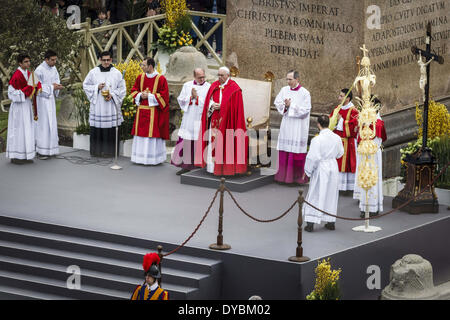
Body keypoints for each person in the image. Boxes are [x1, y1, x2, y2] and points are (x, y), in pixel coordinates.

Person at [194, 66, 248, 176]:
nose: (219, 77)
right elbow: (207, 101)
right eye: (218, 75)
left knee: (225, 143)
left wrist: (222, 106)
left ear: (228, 76)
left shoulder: (235, 89)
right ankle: (212, 167)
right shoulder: (214, 86)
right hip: (214, 118)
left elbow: (236, 108)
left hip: (228, 121)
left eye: (222, 75)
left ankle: (224, 169)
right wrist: (212, 105)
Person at [303, 115, 344, 232]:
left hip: (322, 167)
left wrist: (308, 171)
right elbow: (341, 153)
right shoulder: (336, 137)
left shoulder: (317, 140)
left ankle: (310, 223)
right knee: (331, 194)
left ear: (318, 124)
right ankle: (330, 222)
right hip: (333, 166)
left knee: (316, 193)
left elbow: (312, 157)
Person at [82, 51, 126, 157]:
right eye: (104, 60)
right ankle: (96, 151)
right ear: (100, 60)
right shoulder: (93, 72)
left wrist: (113, 95)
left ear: (111, 60)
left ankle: (110, 152)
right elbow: (85, 85)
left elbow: (122, 89)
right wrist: (96, 87)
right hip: (98, 106)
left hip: (111, 106)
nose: (106, 62)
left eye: (108, 60)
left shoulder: (117, 73)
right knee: (97, 127)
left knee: (110, 128)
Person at [129, 57, 169, 165]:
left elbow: (164, 97)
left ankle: (153, 159)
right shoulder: (140, 77)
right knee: (141, 135)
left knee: (151, 136)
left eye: (143, 65)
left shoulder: (161, 79)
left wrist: (150, 96)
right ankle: (139, 158)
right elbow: (133, 91)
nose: (142, 67)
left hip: (154, 113)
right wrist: (140, 95)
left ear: (150, 66)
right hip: (141, 111)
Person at [274, 70, 311, 185]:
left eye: (290, 79)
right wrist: (285, 106)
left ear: (297, 79)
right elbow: (277, 103)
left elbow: (306, 110)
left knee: (295, 152)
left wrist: (291, 106)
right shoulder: (284, 90)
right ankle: (282, 177)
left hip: (298, 127)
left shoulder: (305, 93)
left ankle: (295, 178)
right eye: (287, 79)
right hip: (287, 124)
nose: (288, 81)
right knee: (285, 150)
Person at [171, 68, 211, 175]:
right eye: (199, 77)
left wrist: (197, 97)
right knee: (187, 141)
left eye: (203, 77)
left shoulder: (209, 87)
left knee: (200, 141)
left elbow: (210, 103)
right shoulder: (187, 85)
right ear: (194, 77)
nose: (202, 79)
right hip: (189, 118)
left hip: (201, 118)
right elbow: (181, 100)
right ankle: (186, 166)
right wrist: (190, 97)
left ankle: (200, 165)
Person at [353, 96, 387, 218]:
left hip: (373, 155)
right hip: (363, 154)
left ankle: (373, 207)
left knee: (372, 180)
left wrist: (368, 148)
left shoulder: (378, 124)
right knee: (363, 178)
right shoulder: (364, 121)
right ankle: (364, 206)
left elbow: (379, 141)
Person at [6, 53, 41, 164]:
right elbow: (11, 93)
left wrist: (36, 86)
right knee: (18, 130)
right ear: (20, 63)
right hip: (18, 107)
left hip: (26, 106)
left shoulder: (30, 74)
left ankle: (27, 155)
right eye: (25, 61)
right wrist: (26, 90)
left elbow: (37, 84)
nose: (28, 63)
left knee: (27, 129)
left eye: (29, 61)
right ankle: (16, 156)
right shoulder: (16, 76)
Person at [34, 50, 64, 159]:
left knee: (51, 124)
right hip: (41, 101)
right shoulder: (38, 70)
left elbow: (56, 80)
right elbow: (34, 88)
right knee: (43, 125)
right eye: (52, 60)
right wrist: (52, 88)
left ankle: (51, 149)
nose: (54, 62)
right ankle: (41, 150)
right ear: (46, 59)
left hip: (50, 100)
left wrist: (57, 86)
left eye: (55, 59)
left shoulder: (54, 68)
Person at [329, 88, 359, 193]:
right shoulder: (338, 108)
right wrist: (334, 122)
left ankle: (347, 187)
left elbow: (354, 125)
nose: (339, 98)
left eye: (341, 96)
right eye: (339, 95)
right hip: (337, 140)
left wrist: (341, 120)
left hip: (347, 141)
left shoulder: (353, 110)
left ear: (348, 98)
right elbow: (330, 122)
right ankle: (337, 185)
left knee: (346, 162)